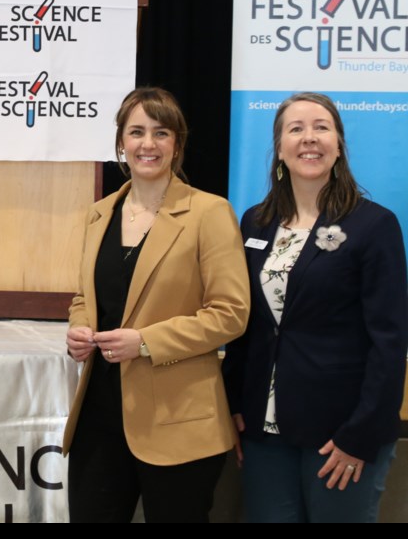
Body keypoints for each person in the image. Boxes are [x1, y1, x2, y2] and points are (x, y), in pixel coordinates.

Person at [63, 87, 250, 523]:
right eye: (137, 132)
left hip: (179, 421)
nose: (148, 144)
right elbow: (83, 297)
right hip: (99, 416)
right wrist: (78, 329)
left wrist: (145, 341)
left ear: (177, 144)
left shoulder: (209, 212)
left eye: (161, 133)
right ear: (121, 144)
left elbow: (230, 313)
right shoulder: (99, 214)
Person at [223, 92, 408, 523]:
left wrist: (360, 435)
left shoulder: (374, 225)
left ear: (339, 145)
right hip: (264, 429)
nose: (310, 138)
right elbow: (245, 323)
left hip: (341, 434)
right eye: (296, 129)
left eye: (321, 127)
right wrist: (233, 402)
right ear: (280, 148)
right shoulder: (256, 222)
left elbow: (389, 340)